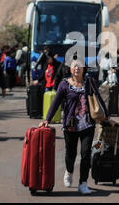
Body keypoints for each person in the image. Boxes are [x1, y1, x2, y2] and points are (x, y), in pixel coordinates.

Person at [40, 59, 114, 195]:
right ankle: (69, 171)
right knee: (71, 153)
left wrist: (107, 117)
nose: (77, 69)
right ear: (70, 69)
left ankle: (83, 183)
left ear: (83, 69)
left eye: (79, 66)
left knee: (86, 154)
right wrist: (47, 120)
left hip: (88, 124)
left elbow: (99, 98)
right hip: (70, 125)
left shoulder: (89, 82)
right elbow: (55, 102)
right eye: (74, 66)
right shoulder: (64, 84)